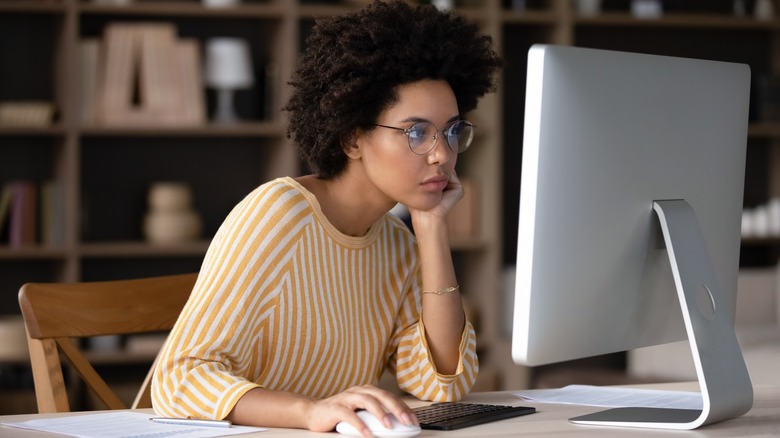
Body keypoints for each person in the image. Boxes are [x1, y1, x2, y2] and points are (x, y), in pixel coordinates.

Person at [151, 1, 502, 435]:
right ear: (353, 138)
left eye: (450, 132)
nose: (441, 154)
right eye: (416, 132)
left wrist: (431, 230)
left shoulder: (396, 242)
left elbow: (442, 383)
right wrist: (310, 413)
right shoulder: (278, 216)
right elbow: (179, 379)